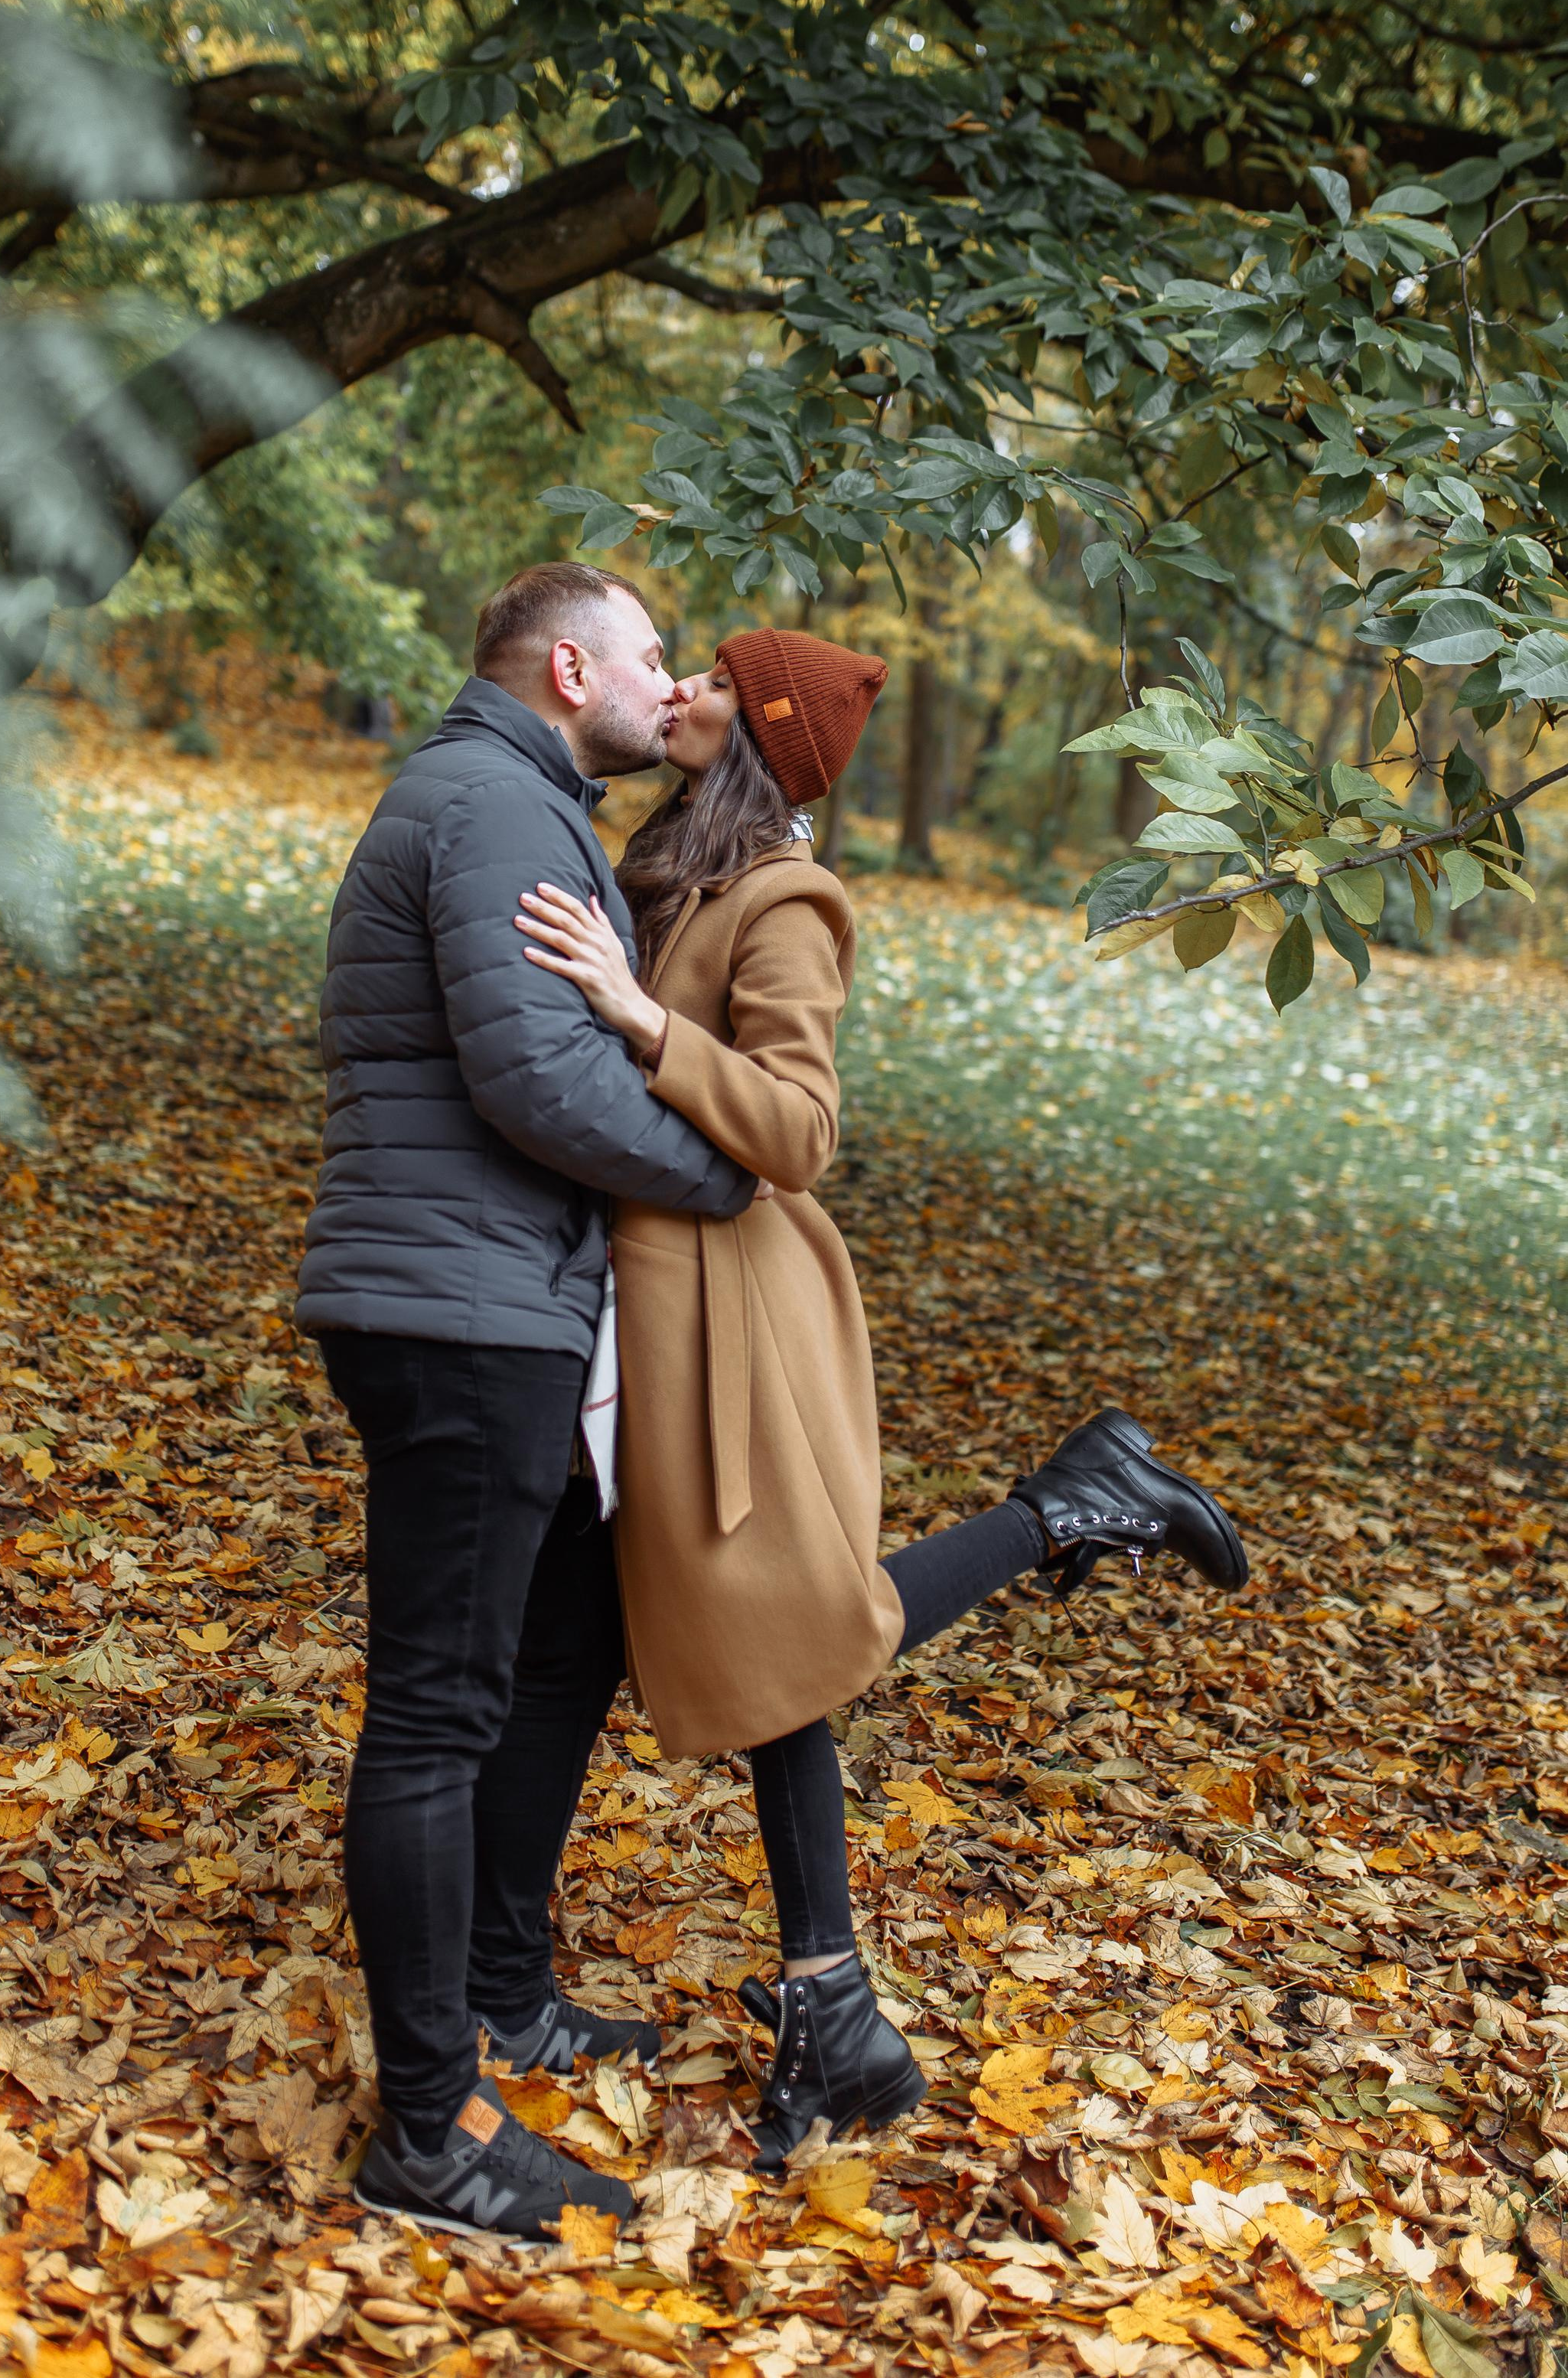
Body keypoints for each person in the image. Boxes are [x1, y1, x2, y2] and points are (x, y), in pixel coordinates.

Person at [515, 625, 1248, 2174]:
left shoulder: (788, 897)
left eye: (719, 682)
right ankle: (814, 2012)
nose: (685, 690)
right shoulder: (677, 864)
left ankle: (1069, 1505)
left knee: (794, 1628)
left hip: (733, 1311)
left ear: (764, 734)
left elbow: (799, 1126)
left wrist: (642, 1019)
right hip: (645, 1300)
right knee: (728, 1638)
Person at [295, 563, 763, 2239]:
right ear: (571, 668)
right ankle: (430, 2130)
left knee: (542, 1656)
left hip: (479, 1295)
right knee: (436, 1713)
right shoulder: (495, 806)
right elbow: (536, 1076)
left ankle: (501, 1997)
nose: (670, 683)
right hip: (461, 1313)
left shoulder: (508, 796)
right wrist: (724, 1173)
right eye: (653, 656)